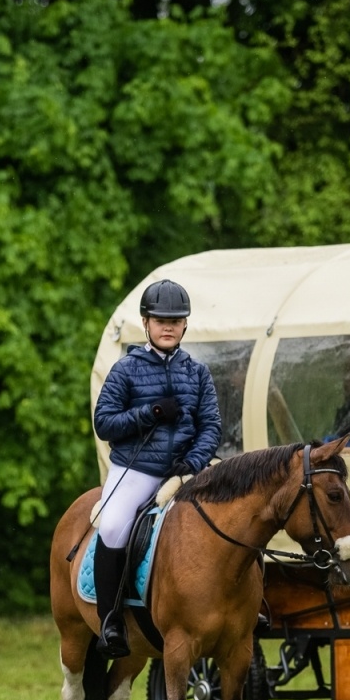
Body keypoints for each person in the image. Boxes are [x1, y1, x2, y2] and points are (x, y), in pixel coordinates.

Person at [91, 279, 222, 658]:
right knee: (114, 525)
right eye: (161, 319)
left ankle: (248, 607)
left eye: (176, 320)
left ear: (185, 325)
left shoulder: (197, 373)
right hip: (138, 469)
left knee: (239, 511)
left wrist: (193, 462)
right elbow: (106, 424)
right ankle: (110, 620)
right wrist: (149, 413)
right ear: (146, 322)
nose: (169, 326)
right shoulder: (125, 370)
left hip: (186, 468)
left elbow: (211, 425)